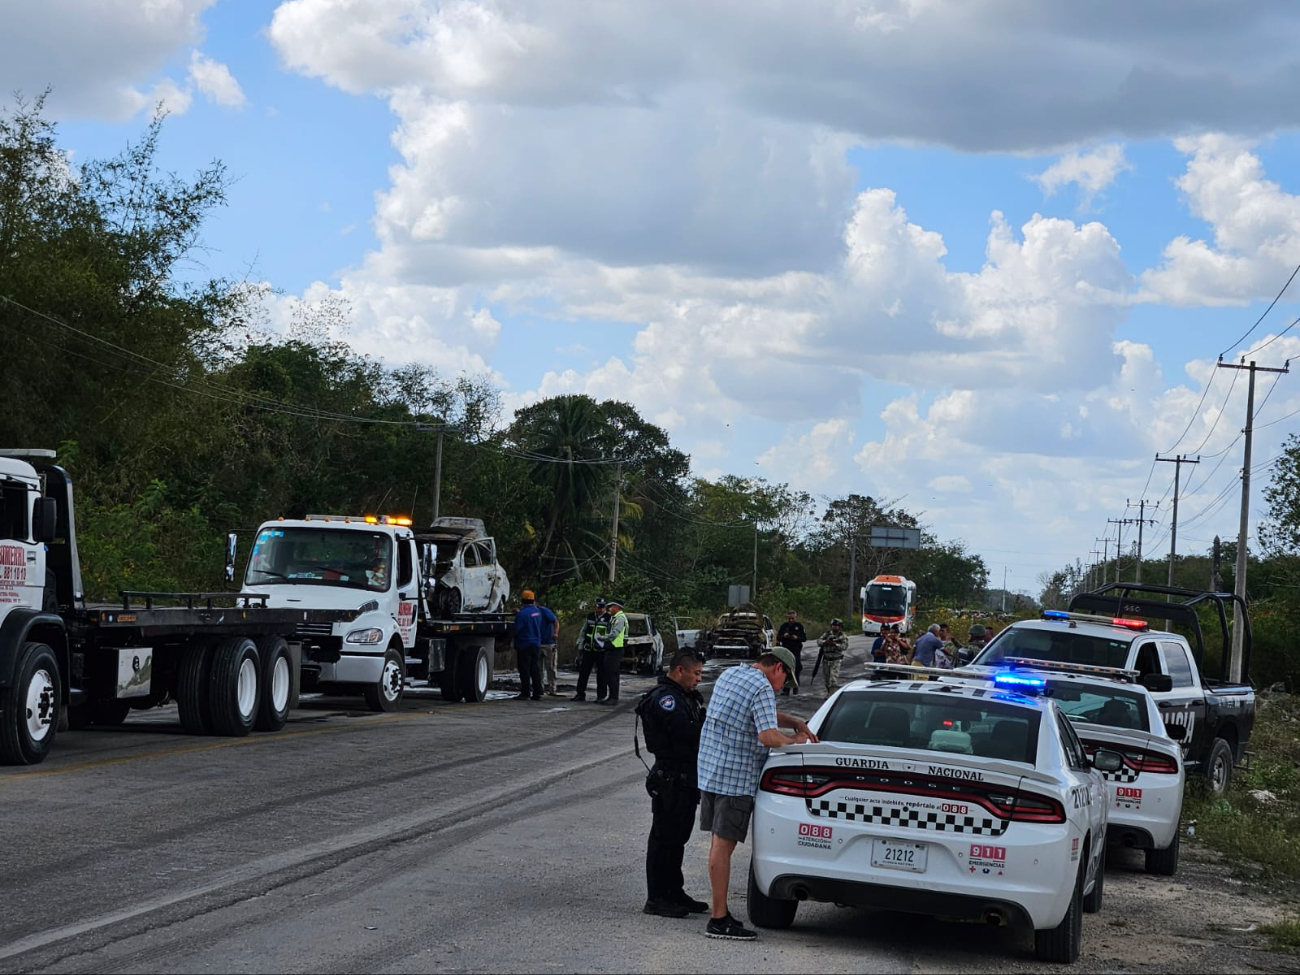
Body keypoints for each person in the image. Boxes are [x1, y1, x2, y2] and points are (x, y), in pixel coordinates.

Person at [697, 648, 816, 940]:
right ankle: (719, 919)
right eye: (785, 679)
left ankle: (719, 912)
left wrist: (793, 720)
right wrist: (796, 740)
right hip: (736, 779)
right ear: (777, 667)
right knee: (723, 847)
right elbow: (767, 736)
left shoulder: (733, 674)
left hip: (712, 771)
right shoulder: (763, 686)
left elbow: (760, 714)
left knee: (717, 844)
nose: (782, 686)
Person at [638, 651, 708, 919]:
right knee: (664, 839)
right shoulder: (666, 699)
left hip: (686, 776)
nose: (699, 679)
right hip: (671, 776)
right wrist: (707, 726)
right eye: (697, 673)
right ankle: (657, 897)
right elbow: (686, 732)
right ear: (680, 670)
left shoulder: (684, 696)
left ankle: (674, 891)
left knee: (679, 837)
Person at [572, 597, 609, 702]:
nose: (600, 609)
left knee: (601, 674)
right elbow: (583, 631)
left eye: (602, 607)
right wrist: (580, 645)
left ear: (605, 607)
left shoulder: (609, 618)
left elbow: (610, 634)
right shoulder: (590, 616)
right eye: (598, 607)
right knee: (583, 673)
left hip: (601, 650)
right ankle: (580, 694)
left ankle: (601, 696)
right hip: (588, 649)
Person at [512, 590, 546, 701]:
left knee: (524, 670)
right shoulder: (537, 611)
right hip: (536, 643)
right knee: (534, 668)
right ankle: (537, 692)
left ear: (523, 600)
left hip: (524, 644)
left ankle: (525, 692)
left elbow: (517, 629)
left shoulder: (522, 614)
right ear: (532, 599)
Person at [595, 597, 628, 705]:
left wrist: (603, 638)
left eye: (611, 607)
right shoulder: (615, 618)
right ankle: (611, 696)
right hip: (612, 648)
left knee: (612, 674)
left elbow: (614, 633)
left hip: (615, 649)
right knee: (609, 674)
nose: (610, 609)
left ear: (617, 607)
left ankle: (613, 697)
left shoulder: (620, 618)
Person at [776, 610, 807, 696]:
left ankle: (795, 688)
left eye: (792, 618)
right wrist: (784, 636)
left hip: (796, 650)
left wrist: (796, 638)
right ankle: (786, 689)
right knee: (786, 669)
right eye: (789, 618)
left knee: (796, 668)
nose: (791, 620)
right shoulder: (784, 626)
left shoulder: (799, 626)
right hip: (786, 650)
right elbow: (778, 637)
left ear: (795, 617)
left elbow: (804, 638)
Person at [814, 619, 849, 693]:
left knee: (833, 680)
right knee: (826, 679)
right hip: (826, 659)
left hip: (836, 659)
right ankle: (828, 692)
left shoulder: (842, 636)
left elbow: (844, 647)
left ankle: (831, 694)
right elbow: (818, 642)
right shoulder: (826, 634)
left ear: (840, 627)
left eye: (837, 626)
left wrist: (835, 644)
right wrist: (825, 642)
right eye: (834, 625)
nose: (835, 627)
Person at [537, 596, 561, 696]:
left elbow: (555, 621)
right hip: (538, 643)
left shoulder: (544, 611)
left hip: (548, 643)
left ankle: (552, 688)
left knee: (551, 667)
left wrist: (555, 632)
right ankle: (539, 688)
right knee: (538, 668)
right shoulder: (531, 612)